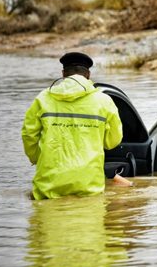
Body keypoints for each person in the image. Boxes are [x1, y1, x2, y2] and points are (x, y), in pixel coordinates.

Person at [21, 52, 124, 200]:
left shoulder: (42, 99)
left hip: (49, 183)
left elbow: (28, 135)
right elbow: (112, 141)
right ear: (88, 74)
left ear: (63, 73)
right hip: (89, 183)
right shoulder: (104, 101)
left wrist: (39, 158)